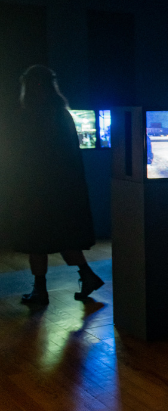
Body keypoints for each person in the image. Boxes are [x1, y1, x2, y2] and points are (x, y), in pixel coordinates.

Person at [3, 65, 103, 305]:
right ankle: (86, 276)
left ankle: (41, 291)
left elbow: (25, 157)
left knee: (37, 241)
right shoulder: (61, 115)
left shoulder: (30, 116)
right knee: (62, 238)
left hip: (37, 191)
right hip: (62, 191)